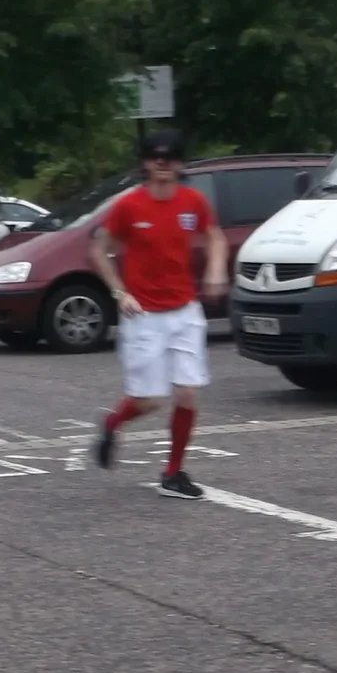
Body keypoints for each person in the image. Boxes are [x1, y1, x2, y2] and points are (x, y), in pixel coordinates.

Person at [88, 130, 231, 499]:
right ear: (146, 164)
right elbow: (98, 249)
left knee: (186, 395)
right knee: (149, 401)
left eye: (169, 159)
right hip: (144, 317)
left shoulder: (193, 202)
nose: (162, 165)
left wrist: (216, 269)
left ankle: (173, 473)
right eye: (155, 158)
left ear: (180, 165)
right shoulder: (129, 207)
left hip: (185, 312)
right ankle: (113, 423)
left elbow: (214, 236)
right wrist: (119, 291)